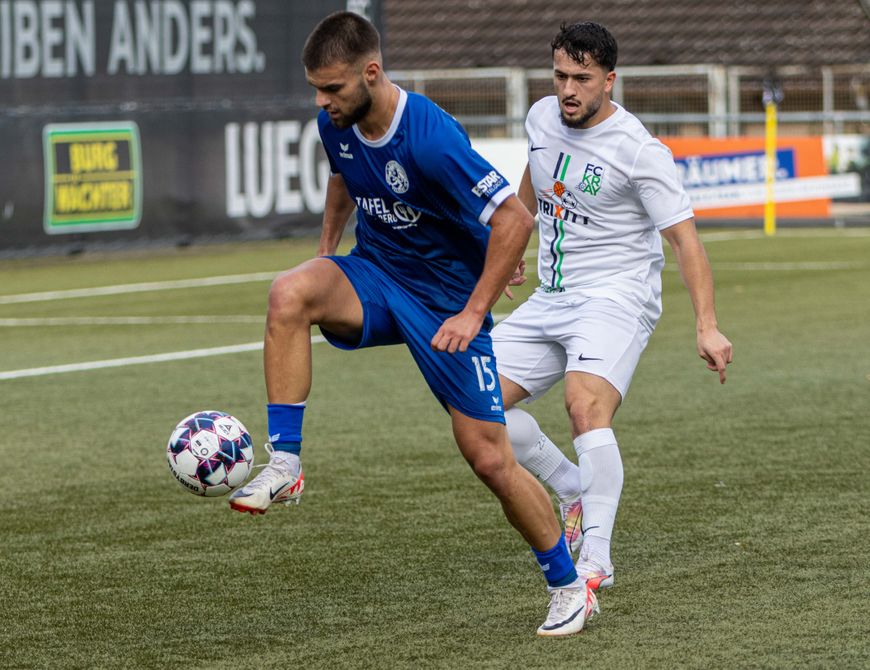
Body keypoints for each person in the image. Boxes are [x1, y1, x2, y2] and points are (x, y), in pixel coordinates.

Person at [227, 11, 598, 637]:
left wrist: (474, 310)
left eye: (333, 89)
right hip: (376, 274)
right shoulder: (334, 121)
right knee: (289, 292)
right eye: (316, 89)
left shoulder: (427, 136)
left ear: (372, 73)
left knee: (488, 457)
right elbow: (345, 176)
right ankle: (286, 462)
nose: (322, 102)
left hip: (447, 302)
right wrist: (326, 253)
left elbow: (513, 220)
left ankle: (569, 586)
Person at [492, 21, 733, 591]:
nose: (568, 90)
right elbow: (533, 180)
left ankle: (596, 554)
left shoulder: (639, 150)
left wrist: (708, 326)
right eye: (560, 76)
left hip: (616, 297)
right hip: (551, 296)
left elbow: (685, 240)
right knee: (475, 407)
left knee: (583, 405)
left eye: (582, 78)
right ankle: (573, 486)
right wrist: (512, 247)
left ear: (609, 80)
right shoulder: (542, 118)